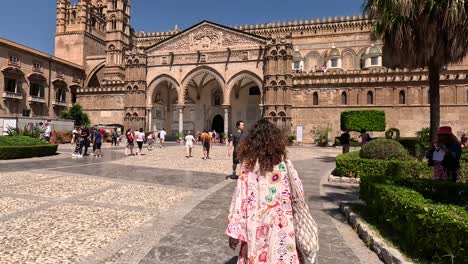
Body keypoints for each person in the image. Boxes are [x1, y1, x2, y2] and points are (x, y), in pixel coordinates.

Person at [226, 118, 312, 264]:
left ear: (252, 141)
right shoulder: (285, 164)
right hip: (283, 224)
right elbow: (299, 191)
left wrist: (235, 232)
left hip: (256, 224)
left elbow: (240, 199)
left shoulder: (248, 165)